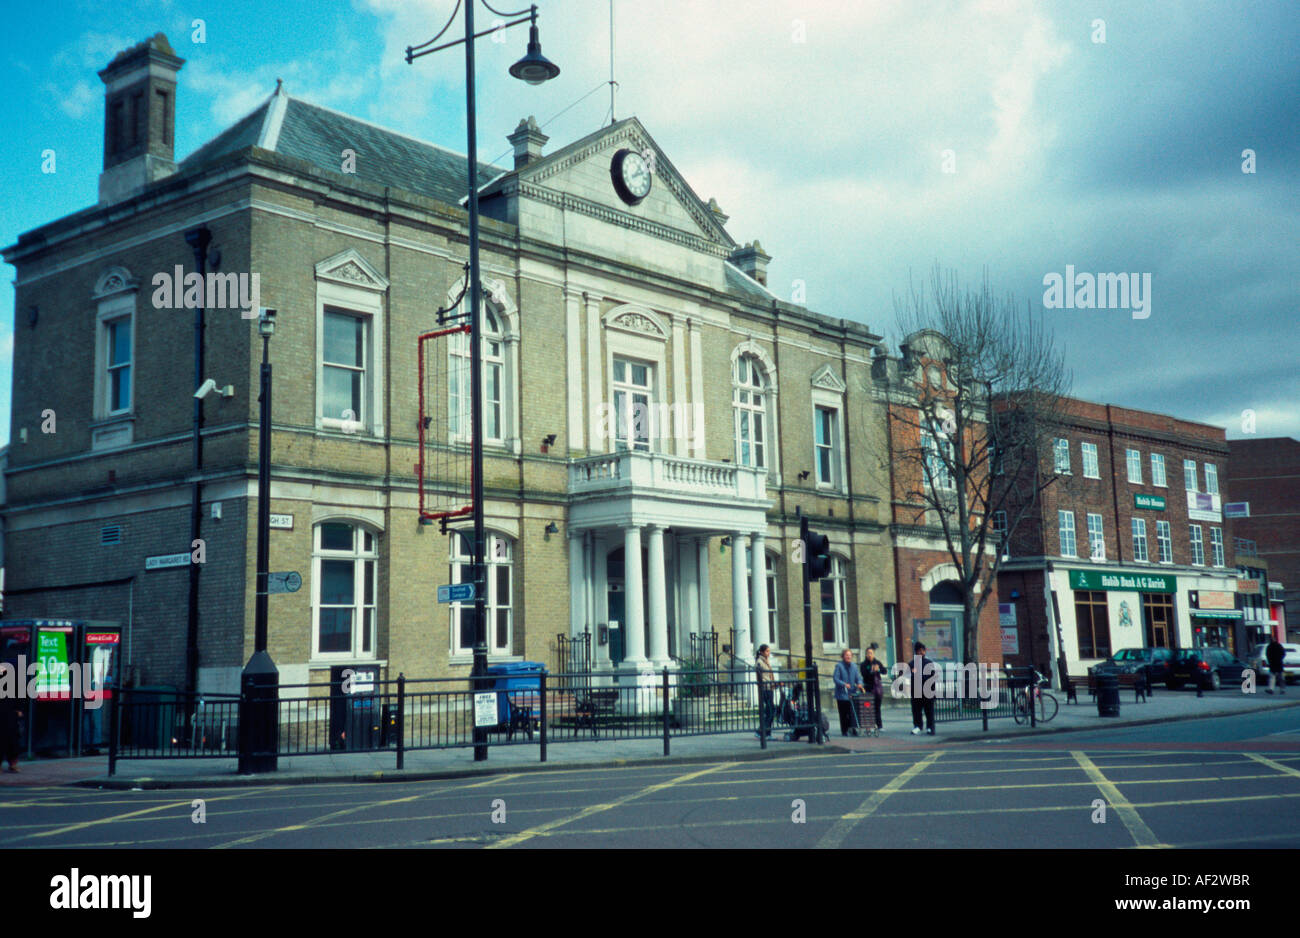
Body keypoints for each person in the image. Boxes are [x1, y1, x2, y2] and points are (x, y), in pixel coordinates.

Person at [832, 648, 865, 736]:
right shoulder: (839, 666)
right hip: (842, 694)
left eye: (850, 655)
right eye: (847, 655)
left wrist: (859, 683)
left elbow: (859, 677)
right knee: (843, 713)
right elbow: (835, 678)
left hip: (852, 694)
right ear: (843, 656)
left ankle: (852, 728)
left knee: (852, 713)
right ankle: (844, 730)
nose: (848, 657)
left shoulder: (854, 666)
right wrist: (844, 684)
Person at [909, 641, 938, 736]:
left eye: (923, 650)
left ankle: (930, 728)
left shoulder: (929, 663)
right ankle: (917, 726)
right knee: (916, 711)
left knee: (929, 711)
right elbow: (908, 676)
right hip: (916, 691)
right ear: (916, 652)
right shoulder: (911, 664)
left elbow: (932, 677)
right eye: (919, 651)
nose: (921, 653)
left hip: (928, 691)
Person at [0, 646, 22, 773]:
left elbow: (18, 693)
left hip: (9, 712)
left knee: (11, 739)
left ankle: (12, 762)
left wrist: (19, 708)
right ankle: (11, 762)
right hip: (6, 711)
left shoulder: (11, 677)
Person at [863, 645, 887, 733]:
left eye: (871, 653)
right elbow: (864, 675)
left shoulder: (877, 662)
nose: (870, 655)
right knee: (868, 708)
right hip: (868, 689)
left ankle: (879, 725)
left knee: (877, 707)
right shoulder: (864, 664)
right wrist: (872, 671)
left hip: (877, 689)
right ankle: (869, 726)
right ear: (866, 655)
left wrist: (879, 669)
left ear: (873, 654)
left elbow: (885, 671)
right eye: (868, 653)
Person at [755, 644, 777, 738]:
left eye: (769, 651)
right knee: (770, 711)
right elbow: (760, 676)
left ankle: (765, 732)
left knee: (770, 711)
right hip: (765, 689)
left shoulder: (766, 661)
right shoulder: (760, 662)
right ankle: (762, 732)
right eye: (767, 651)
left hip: (769, 688)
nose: (769, 653)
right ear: (762, 652)